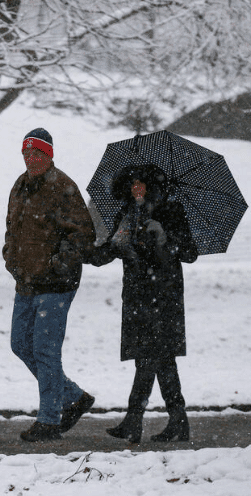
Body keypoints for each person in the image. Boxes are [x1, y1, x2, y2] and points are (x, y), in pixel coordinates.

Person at [85, 164, 198, 443]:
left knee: (150, 357)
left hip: (164, 295)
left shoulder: (171, 211)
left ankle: (134, 420)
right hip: (136, 295)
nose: (137, 189)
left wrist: (164, 236)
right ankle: (177, 421)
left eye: (141, 183)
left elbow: (189, 252)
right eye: (132, 184)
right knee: (158, 359)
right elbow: (109, 251)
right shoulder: (126, 215)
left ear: (152, 186)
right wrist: (84, 253)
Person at [3, 127, 96, 442]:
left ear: (49, 155)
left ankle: (49, 420)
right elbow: (11, 227)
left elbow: (83, 234)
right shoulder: (20, 185)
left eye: (37, 153)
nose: (31, 158)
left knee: (45, 349)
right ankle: (74, 396)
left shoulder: (64, 187)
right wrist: (11, 260)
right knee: (20, 344)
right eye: (27, 153)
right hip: (26, 281)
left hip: (57, 284)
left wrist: (58, 264)